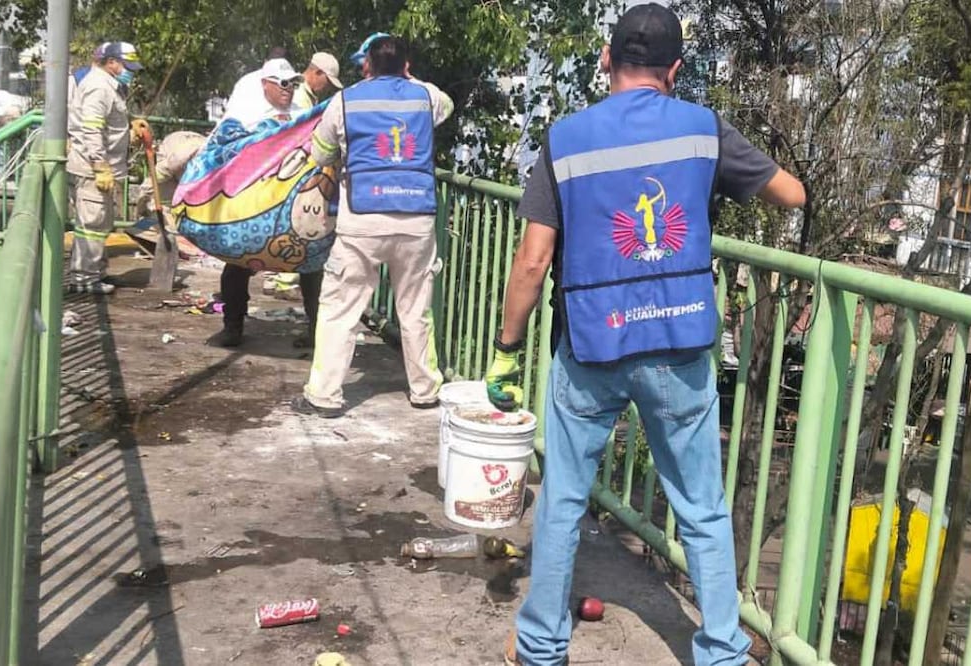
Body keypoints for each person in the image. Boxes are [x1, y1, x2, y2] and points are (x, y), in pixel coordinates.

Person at [485, 4, 806, 665]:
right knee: (701, 509)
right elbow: (791, 196)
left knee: (563, 499)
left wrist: (507, 349)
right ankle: (719, 650)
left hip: (592, 346)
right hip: (678, 345)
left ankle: (542, 647)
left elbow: (531, 259)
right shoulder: (702, 130)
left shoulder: (566, 139)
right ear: (676, 69)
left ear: (607, 59)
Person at [294, 35, 454, 418]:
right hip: (415, 221)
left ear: (366, 65)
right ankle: (425, 390)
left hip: (361, 222)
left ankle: (325, 395)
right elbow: (446, 106)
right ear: (406, 65)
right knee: (415, 310)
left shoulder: (344, 101)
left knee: (339, 310)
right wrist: (410, 80)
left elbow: (319, 153)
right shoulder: (425, 96)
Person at [208, 57, 316, 347]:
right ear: (265, 84)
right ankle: (233, 326)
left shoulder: (303, 113)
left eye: (293, 84)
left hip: (294, 208)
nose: (288, 90)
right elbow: (224, 150)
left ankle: (316, 330)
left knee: (312, 265)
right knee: (236, 263)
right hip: (253, 207)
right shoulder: (247, 114)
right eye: (283, 84)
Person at [66, 41, 144, 294]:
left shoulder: (110, 86)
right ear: (111, 62)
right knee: (91, 224)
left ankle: (94, 273)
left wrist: (129, 131)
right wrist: (100, 164)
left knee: (99, 225)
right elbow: (92, 128)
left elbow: (108, 124)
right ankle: (84, 279)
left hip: (103, 167)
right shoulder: (99, 87)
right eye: (126, 66)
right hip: (92, 169)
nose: (130, 71)